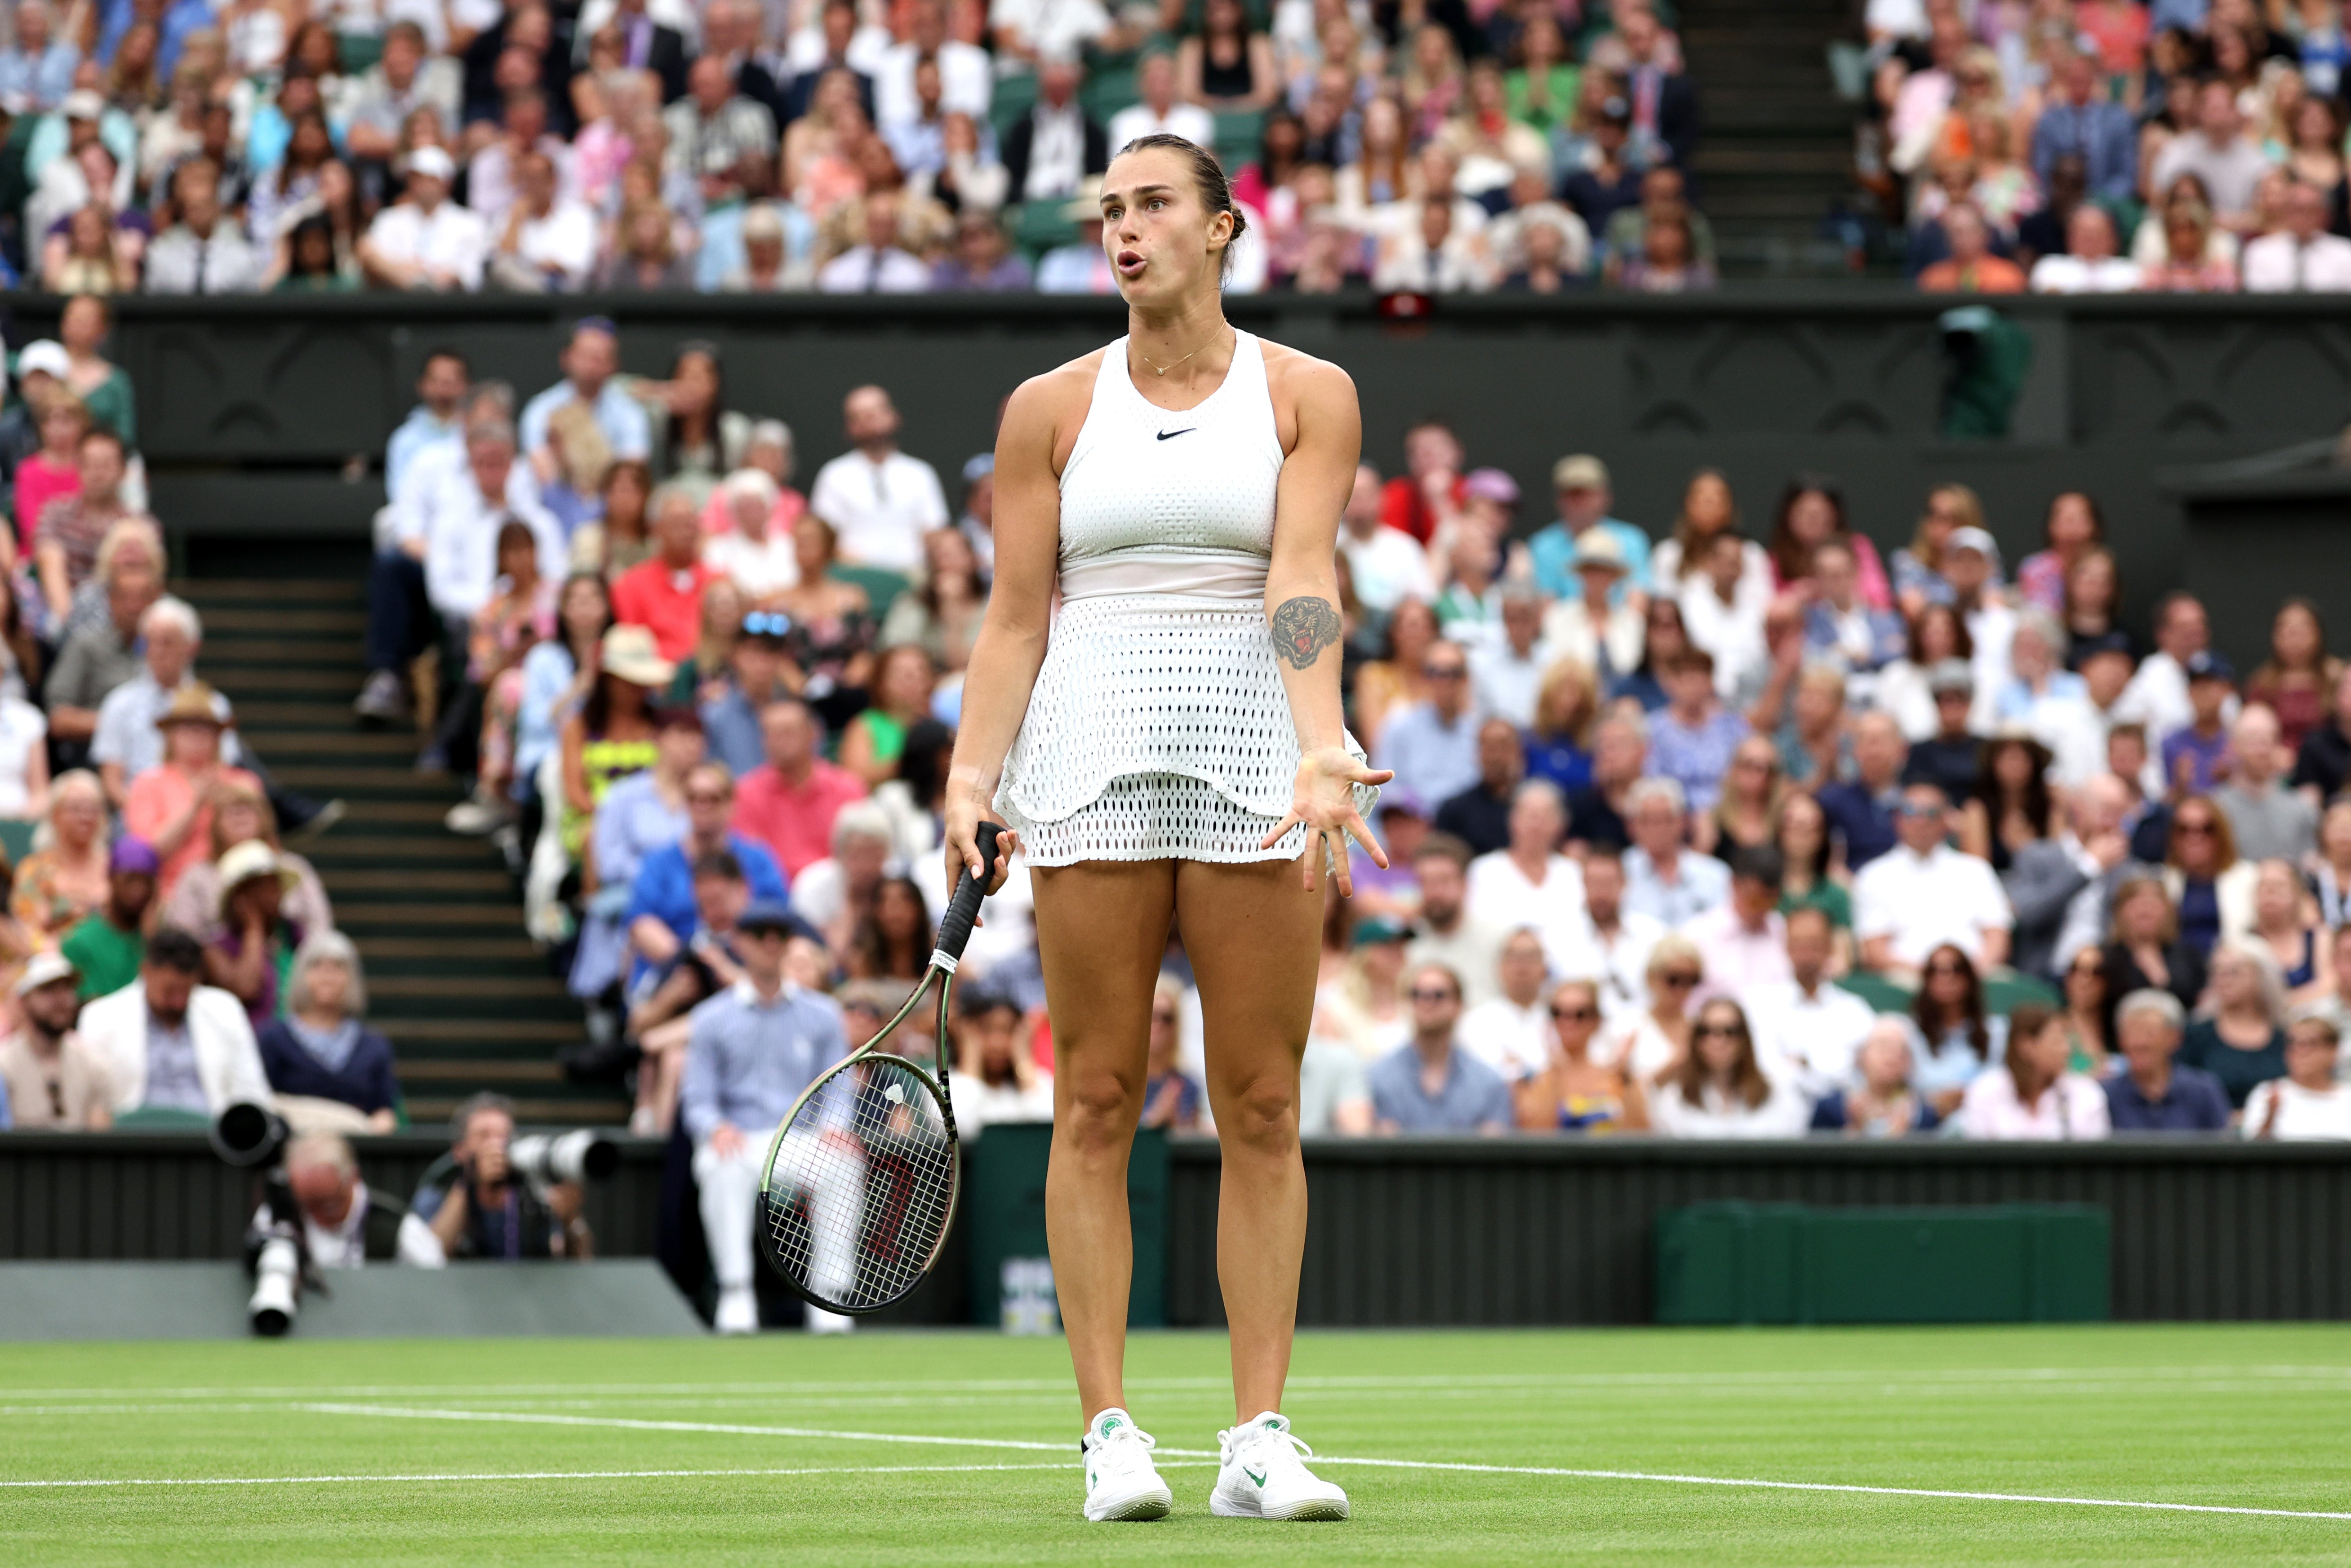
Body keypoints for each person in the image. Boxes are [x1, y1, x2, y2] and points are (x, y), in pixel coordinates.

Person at [943, 134, 1376, 1524]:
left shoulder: (1309, 394)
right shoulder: (1048, 411)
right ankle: (1109, 1429)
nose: (1122, 231)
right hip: (1092, 763)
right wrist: (969, 775)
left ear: (1223, 227)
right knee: (1097, 1100)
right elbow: (1016, 618)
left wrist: (1322, 737)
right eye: (1108, 213)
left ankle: (1258, 1434)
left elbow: (1300, 578)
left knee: (1260, 1100)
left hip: (1254, 755)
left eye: (1151, 207)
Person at [78, 927, 272, 1119]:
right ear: (146, 971)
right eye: (170, 991)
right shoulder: (101, 1017)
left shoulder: (225, 1011)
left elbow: (252, 1091)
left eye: (186, 992)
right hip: (133, 1140)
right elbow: (90, 1101)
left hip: (209, 1138)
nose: (178, 1002)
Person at [1854, 782, 2013, 981]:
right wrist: (1933, 978)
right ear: (1898, 819)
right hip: (1907, 979)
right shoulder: (1874, 875)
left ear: (1946, 819)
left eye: (1930, 813)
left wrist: (1967, 975)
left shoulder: (1976, 870)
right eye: (1911, 811)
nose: (1921, 821)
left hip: (1975, 977)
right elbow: (1875, 950)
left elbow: (1998, 936)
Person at [122, 686, 266, 899]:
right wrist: (195, 806)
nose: (197, 735)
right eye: (188, 727)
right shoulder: (148, 784)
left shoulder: (244, 783)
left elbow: (263, 843)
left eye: (206, 728)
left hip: (239, 890)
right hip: (170, 895)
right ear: (170, 735)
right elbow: (149, 856)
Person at [416, 1092, 590, 1262]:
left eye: (504, 1136)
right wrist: (471, 1183)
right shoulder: (437, 1192)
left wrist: (570, 1218)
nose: (497, 1144)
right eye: (484, 1135)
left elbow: (579, 1261)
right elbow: (429, 1258)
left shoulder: (533, 1193)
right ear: (459, 1150)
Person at [252, 931, 397, 1134]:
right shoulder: (273, 1039)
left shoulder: (374, 1045)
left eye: (338, 967)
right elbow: (261, 1102)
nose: (327, 976)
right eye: (317, 966)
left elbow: (384, 1112)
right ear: (300, 975)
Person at [806, 385, 949, 574]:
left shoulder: (921, 474)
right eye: (858, 417)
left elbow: (936, 531)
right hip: (852, 578)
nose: (868, 422)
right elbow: (824, 538)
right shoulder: (834, 475)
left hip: (915, 578)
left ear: (894, 416)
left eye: (874, 414)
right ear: (849, 427)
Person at [1366, 962, 1515, 1134]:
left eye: (1438, 995)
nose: (1426, 1002)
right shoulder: (1377, 1078)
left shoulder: (1489, 1083)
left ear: (1459, 1006)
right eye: (1416, 994)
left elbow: (1494, 1151)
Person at [731, 698, 869, 880]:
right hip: (774, 898)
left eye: (787, 733)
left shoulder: (848, 790)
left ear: (813, 733)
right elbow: (747, 861)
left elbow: (860, 858)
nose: (777, 742)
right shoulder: (746, 793)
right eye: (770, 734)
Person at [263, 1131, 444, 1267]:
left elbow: (437, 1282)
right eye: (307, 1205)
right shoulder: (275, 1217)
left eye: (328, 1205)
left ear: (353, 1177)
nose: (317, 1216)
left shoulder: (399, 1228)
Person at [1741, 905, 1875, 1089]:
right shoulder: (1760, 1004)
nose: (1805, 954)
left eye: (1814, 944)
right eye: (1797, 944)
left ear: (1829, 947)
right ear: (1786, 946)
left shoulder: (1854, 1010)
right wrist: (1822, 1071)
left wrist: (1803, 1064)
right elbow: (1766, 1068)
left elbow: (1861, 1075)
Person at [1648, 998, 1811, 1137]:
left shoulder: (1777, 1094)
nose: (1718, 1042)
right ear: (1695, 1040)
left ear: (1744, 1039)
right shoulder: (1675, 1098)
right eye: (1706, 1032)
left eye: (1730, 1032)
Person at [1513, 976, 1648, 1133]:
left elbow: (1640, 1134)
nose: (1568, 1022)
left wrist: (1626, 1078)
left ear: (1596, 1020)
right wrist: (1555, 1074)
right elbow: (1534, 1134)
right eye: (1558, 1013)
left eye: (1580, 1014)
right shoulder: (1537, 1078)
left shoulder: (1617, 1076)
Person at [1959, 1002, 2111, 1139]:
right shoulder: (1985, 1092)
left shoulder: (2086, 1093)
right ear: (2027, 1046)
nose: (2067, 1049)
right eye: (2057, 1041)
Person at [0, 951, 113, 1130]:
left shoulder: (94, 1067)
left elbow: (100, 1138)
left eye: (68, 988)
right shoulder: (4, 1066)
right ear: (23, 1002)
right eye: (48, 990)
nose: (61, 999)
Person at [2178, 940, 2290, 1112]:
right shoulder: (2194, 1035)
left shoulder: (2286, 1038)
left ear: (2262, 977)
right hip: (2214, 1134)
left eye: (2234, 972)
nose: (2223, 980)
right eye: (2217, 972)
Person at [1372, 636, 1482, 809]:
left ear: (1465, 679)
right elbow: (1382, 789)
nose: (1444, 682)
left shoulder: (1478, 732)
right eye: (1435, 673)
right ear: (1424, 678)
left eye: (1454, 673)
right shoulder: (1399, 727)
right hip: (1414, 824)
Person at [356, 146, 486, 290]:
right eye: (415, 178)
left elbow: (468, 277)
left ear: (446, 183)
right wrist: (414, 273)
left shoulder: (470, 222)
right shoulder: (389, 219)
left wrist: (425, 273)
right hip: (397, 305)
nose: (420, 185)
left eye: (428, 179)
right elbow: (371, 259)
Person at [2104, 988, 2232, 1133]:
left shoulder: (2203, 1091)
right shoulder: (2104, 1095)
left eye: (2149, 1033)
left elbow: (2223, 1148)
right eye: (2131, 1033)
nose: (2139, 1042)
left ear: (2175, 1038)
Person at [10, 770, 111, 946]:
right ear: (55, 814)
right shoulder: (34, 869)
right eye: (76, 808)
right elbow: (24, 927)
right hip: (49, 959)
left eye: (93, 809)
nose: (86, 817)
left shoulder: (114, 867)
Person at [1683, 845, 1795, 999]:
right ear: (1734, 884)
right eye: (1754, 900)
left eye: (1770, 900)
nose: (1760, 909)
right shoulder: (1697, 935)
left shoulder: (1784, 931)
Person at [1621, 777, 1730, 927]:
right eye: (1647, 821)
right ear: (1631, 826)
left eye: (1666, 820)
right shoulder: (1620, 871)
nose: (1657, 828)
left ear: (1683, 822)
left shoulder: (1715, 875)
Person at [58, 836, 156, 1003]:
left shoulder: (155, 940)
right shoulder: (79, 942)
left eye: (147, 881)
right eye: (130, 880)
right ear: (111, 878)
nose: (139, 889)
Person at [2214, 706, 2317, 864]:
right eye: (2252, 741)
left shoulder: (2301, 809)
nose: (2261, 750)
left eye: (2267, 740)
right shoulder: (2215, 808)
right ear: (2235, 746)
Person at [953, 984, 1060, 1133]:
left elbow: (1046, 1129)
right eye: (987, 1030)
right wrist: (971, 1055)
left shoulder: (1038, 1080)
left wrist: (1022, 1054)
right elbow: (960, 1128)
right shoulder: (942, 1083)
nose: (997, 1043)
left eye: (1008, 1031)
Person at [1810, 1018, 1940, 1136]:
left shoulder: (1926, 1114)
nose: (1892, 1056)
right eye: (1883, 1047)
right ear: (1861, 1056)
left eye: (1901, 1050)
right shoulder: (1830, 1109)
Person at [2241, 1012, 2351, 1139]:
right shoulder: (2268, 1094)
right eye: (2293, 1043)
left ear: (2334, 1051)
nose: (2299, 1051)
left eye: (2311, 1044)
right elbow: (2252, 1153)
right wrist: (2270, 1119)